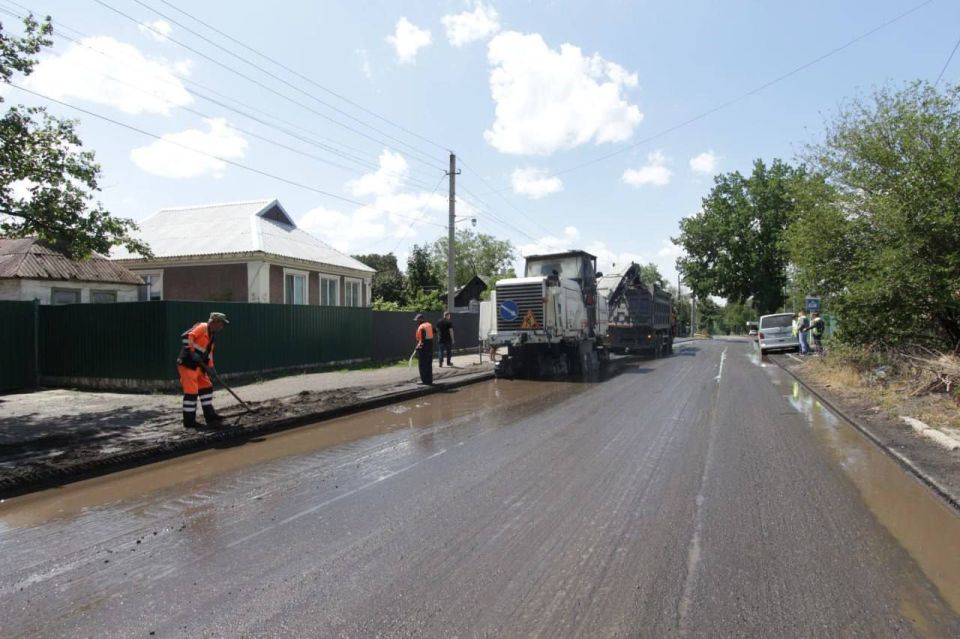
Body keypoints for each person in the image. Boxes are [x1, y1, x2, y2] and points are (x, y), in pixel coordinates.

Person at [176, 312, 229, 429]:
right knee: (191, 393)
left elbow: (209, 353)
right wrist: (192, 352)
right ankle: (189, 422)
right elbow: (186, 337)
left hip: (200, 366)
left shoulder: (212, 335)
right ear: (214, 322)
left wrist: (211, 368)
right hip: (188, 365)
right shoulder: (202, 327)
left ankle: (210, 415)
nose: (222, 326)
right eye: (221, 323)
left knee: (206, 387)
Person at [414, 312, 434, 385]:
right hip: (430, 348)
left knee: (422, 365)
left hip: (424, 349)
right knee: (429, 365)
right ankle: (430, 380)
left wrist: (418, 347)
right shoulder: (429, 325)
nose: (416, 321)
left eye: (417, 320)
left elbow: (422, 340)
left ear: (421, 319)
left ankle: (424, 381)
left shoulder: (422, 327)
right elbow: (435, 331)